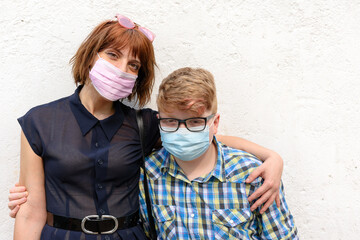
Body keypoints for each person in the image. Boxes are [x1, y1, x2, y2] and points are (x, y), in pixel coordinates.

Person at [10, 14, 284, 239]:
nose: (121, 69)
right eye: (113, 55)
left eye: (133, 65)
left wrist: (272, 157)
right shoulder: (40, 122)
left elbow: (203, 134)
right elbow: (30, 210)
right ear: (91, 55)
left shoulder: (144, 124)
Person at [138, 67, 298, 239]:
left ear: (215, 123)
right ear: (159, 122)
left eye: (194, 122)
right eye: (170, 121)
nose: (182, 131)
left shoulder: (252, 174)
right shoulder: (147, 174)